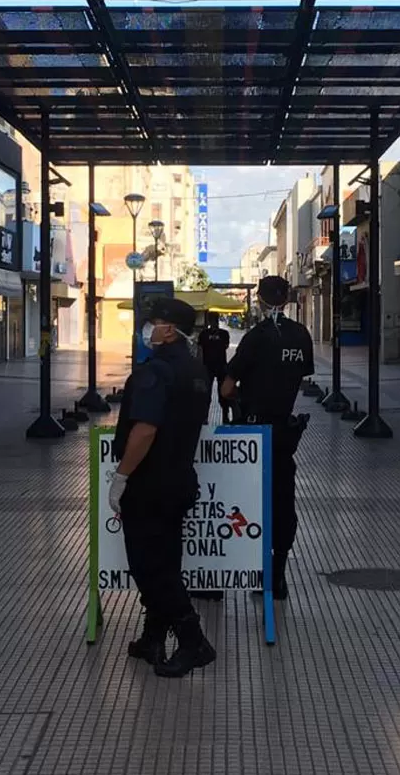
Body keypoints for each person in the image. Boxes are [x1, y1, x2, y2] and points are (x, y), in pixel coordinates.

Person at [108, 297, 215, 678]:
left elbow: (145, 429)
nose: (146, 329)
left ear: (169, 330)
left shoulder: (154, 372)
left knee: (150, 567)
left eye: (151, 323)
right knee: (166, 560)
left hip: (149, 484)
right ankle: (153, 636)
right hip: (179, 479)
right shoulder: (198, 372)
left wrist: (121, 477)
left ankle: (193, 641)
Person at [220, 276, 314, 600]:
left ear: (259, 300)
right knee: (282, 502)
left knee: (248, 504)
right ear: (287, 301)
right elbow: (299, 377)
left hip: (252, 434)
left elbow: (227, 387)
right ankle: (278, 575)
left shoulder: (256, 338)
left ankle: (249, 569)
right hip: (284, 435)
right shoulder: (301, 335)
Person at [196, 312, 233, 423]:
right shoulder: (224, 334)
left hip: (208, 366)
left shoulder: (203, 334)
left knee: (207, 393)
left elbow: (200, 350)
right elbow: (226, 346)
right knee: (222, 393)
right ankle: (225, 416)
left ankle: (205, 417)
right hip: (220, 365)